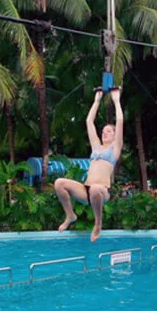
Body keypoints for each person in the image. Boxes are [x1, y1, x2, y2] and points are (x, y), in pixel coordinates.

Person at [54, 87, 123, 242]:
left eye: (109, 132)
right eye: (103, 131)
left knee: (96, 188)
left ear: (115, 135)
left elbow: (119, 122)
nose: (104, 133)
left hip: (102, 191)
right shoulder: (97, 147)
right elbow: (89, 122)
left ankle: (98, 224)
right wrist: (97, 100)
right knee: (59, 183)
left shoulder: (115, 149)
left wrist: (116, 100)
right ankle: (70, 215)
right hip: (86, 190)